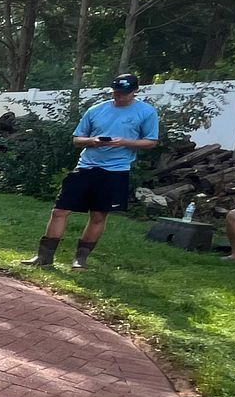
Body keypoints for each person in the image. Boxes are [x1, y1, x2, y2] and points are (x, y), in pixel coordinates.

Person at [20, 73, 161, 270]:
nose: (119, 96)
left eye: (124, 93)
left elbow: (151, 141)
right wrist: (91, 141)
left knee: (98, 216)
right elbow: (77, 139)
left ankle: (81, 259)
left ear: (135, 91)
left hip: (116, 170)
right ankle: (44, 257)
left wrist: (125, 142)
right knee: (60, 210)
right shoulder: (96, 110)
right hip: (86, 166)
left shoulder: (146, 112)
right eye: (116, 92)